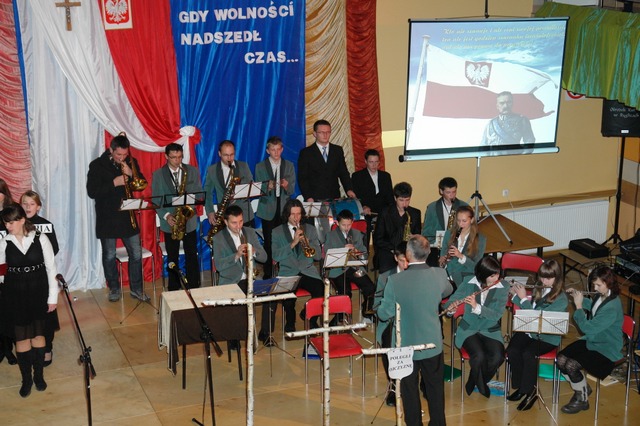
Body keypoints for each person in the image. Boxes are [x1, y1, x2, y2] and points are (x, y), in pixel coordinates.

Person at [377, 235, 453, 425]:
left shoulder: (394, 280)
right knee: (435, 389)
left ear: (408, 254)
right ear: (428, 253)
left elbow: (384, 314)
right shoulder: (439, 274)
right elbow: (448, 291)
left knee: (409, 391)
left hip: (404, 345)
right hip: (432, 341)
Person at [0, 205, 58, 397]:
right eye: (6, 223)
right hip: (15, 294)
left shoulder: (40, 238)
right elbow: (1, 271)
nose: (7, 226)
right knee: (21, 338)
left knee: (38, 335)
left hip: (38, 291)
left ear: (22, 220)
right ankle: (27, 379)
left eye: (11, 222)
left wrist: (52, 297)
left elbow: (51, 268)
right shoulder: (4, 242)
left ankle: (39, 376)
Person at [86, 132, 149, 302]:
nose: (122, 158)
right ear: (111, 150)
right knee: (109, 255)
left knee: (136, 253)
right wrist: (114, 183)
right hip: (107, 217)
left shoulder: (131, 162)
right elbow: (92, 192)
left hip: (127, 216)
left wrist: (132, 173)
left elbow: (141, 184)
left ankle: (137, 289)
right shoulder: (97, 165)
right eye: (118, 154)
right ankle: (114, 287)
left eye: (125, 154)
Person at [557, 265, 623, 414]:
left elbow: (587, 328)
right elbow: (594, 307)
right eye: (594, 284)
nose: (595, 288)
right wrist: (577, 297)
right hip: (594, 339)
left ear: (609, 283)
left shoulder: (612, 307)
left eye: (598, 285)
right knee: (561, 360)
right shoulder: (602, 295)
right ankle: (582, 388)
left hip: (606, 347)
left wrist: (579, 306)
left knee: (571, 366)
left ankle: (581, 399)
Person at [442, 255, 509, 398]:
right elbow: (450, 302)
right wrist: (451, 309)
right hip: (469, 329)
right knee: (479, 356)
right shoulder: (468, 282)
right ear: (483, 275)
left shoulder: (503, 287)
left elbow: (496, 315)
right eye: (492, 275)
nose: (497, 278)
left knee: (498, 357)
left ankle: (475, 380)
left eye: (498, 274)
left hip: (490, 329)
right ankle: (481, 384)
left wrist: (476, 306)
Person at [505, 259, 568, 411]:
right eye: (542, 277)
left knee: (528, 354)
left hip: (547, 335)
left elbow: (537, 316)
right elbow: (530, 309)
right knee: (512, 350)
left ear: (557, 278)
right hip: (529, 330)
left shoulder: (561, 299)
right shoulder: (539, 288)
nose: (544, 281)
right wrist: (514, 295)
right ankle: (521, 387)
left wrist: (522, 298)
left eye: (548, 278)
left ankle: (531, 392)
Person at [152, 143, 203, 290]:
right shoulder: (158, 174)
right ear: (166, 156)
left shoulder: (191, 171)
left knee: (191, 253)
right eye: (173, 157)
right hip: (171, 222)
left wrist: (190, 199)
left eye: (180, 157)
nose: (177, 161)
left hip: (188, 219)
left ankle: (193, 285)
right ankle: (174, 287)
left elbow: (199, 193)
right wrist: (167, 216)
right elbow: (156, 200)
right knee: (172, 256)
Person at [268, 199, 323, 334]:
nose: (296, 217)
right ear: (287, 214)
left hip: (307, 271)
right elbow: (275, 256)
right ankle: (290, 322)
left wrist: (309, 244)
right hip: (288, 272)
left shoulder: (310, 229)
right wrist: (293, 243)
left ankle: (311, 317)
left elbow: (317, 257)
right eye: (293, 214)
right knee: (288, 298)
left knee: (320, 290)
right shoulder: (277, 232)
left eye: (298, 214)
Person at [21, 191, 60, 368]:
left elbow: (54, 249)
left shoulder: (46, 225)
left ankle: (47, 347)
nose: (28, 207)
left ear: (38, 207)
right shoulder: (16, 224)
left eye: (32, 204)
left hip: (41, 276)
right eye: (25, 203)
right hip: (22, 279)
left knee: (45, 315)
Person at [254, 136, 296, 278]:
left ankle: (284, 269)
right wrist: (268, 186)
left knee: (284, 241)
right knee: (269, 241)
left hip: (284, 207)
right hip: (268, 209)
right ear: (268, 151)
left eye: (278, 149)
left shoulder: (289, 165)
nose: (276, 152)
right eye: (273, 150)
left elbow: (291, 190)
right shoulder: (260, 166)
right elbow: (258, 189)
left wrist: (287, 186)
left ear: (282, 149)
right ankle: (268, 272)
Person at [372, 241, 408, 407]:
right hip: (390, 321)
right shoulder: (385, 277)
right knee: (388, 345)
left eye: (408, 261)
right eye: (401, 261)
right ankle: (393, 386)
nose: (405, 265)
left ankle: (417, 383)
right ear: (395, 258)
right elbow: (376, 305)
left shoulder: (415, 276)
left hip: (411, 321)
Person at [324, 209, 375, 320]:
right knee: (345, 292)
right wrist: (343, 250)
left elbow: (364, 254)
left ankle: (367, 311)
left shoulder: (356, 234)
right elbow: (327, 254)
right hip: (337, 270)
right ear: (337, 223)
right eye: (343, 225)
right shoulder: (330, 235)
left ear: (352, 222)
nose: (346, 228)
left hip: (354, 267)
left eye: (349, 225)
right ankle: (339, 318)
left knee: (370, 288)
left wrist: (357, 252)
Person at [297, 119, 355, 202]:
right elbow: (303, 178)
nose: (325, 135)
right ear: (315, 134)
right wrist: (308, 196)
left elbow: (343, 173)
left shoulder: (337, 150)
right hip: (314, 198)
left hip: (334, 197)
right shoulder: (306, 153)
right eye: (321, 132)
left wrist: (349, 189)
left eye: (328, 132)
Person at [211, 205, 267, 292]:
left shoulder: (250, 232)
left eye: (241, 221)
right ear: (226, 222)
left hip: (251, 279)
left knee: (270, 294)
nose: (238, 226)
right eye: (234, 223)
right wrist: (237, 255)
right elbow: (219, 266)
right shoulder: (218, 238)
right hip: (231, 282)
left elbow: (264, 258)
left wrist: (253, 251)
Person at [373, 182, 422, 274]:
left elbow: (418, 236)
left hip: (407, 250)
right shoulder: (384, 212)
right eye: (401, 200)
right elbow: (378, 239)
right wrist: (395, 249)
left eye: (407, 200)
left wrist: (414, 237)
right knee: (386, 270)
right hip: (388, 250)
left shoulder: (415, 213)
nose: (405, 204)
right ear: (395, 198)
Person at [204, 140, 254, 226]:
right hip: (224, 215)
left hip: (244, 214)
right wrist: (210, 212)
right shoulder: (212, 170)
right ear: (219, 154)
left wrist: (237, 194)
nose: (229, 158)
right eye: (226, 155)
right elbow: (207, 192)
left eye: (232, 154)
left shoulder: (243, 166)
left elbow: (251, 187)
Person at [351, 149, 394, 248]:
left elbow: (390, 197)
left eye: (376, 162)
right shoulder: (357, 176)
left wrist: (390, 211)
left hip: (382, 212)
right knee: (364, 239)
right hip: (365, 212)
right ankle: (364, 255)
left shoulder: (386, 176)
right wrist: (363, 207)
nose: (374, 165)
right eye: (371, 162)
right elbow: (355, 198)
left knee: (382, 242)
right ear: (366, 162)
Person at [422, 177, 468, 266]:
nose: (452, 196)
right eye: (448, 192)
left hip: (458, 246)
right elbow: (426, 232)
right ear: (441, 191)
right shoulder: (432, 207)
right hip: (438, 247)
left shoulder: (464, 207)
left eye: (454, 192)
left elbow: (469, 230)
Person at [438, 205, 486, 287]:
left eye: (464, 221)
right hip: (449, 274)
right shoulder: (449, 234)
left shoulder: (480, 239)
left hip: (467, 275)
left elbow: (476, 267)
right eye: (458, 220)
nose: (460, 224)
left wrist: (460, 256)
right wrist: (442, 260)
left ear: (472, 220)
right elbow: (442, 256)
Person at [0, 179, 18, 365]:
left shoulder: (12, 212)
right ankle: (3, 348)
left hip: (10, 269)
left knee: (10, 311)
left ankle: (10, 347)